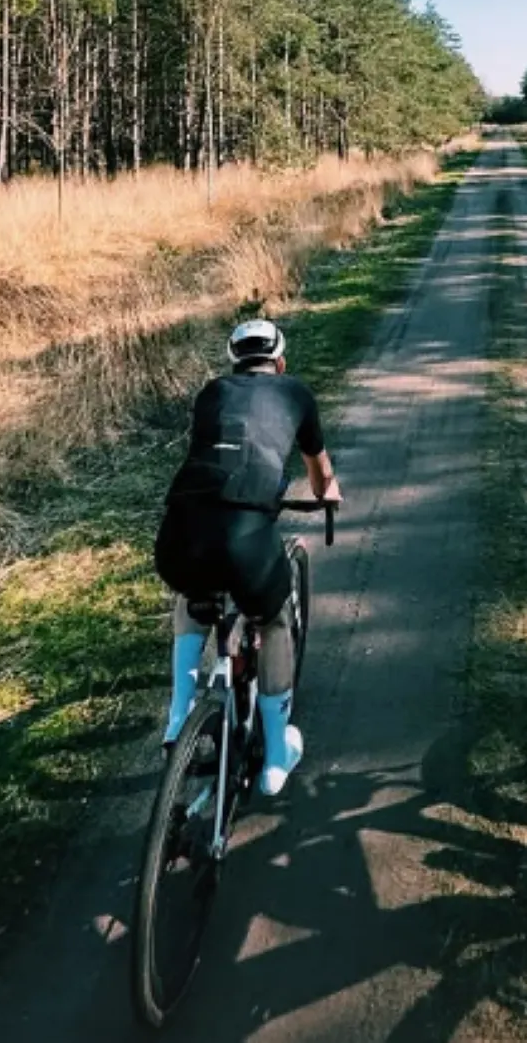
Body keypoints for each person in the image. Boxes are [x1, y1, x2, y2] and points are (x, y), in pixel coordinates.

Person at [155, 317, 341, 796]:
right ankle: (277, 754)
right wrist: (328, 494)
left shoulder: (212, 393)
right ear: (280, 362)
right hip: (245, 536)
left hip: (179, 529)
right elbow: (319, 471)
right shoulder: (295, 393)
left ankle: (179, 713)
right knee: (274, 618)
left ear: (235, 363)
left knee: (194, 590)